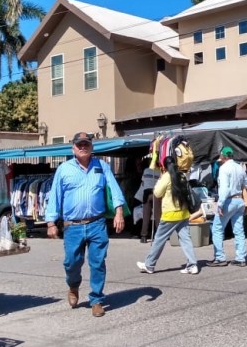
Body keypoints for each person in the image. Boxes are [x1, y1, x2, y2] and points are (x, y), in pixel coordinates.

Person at [44, 131, 126, 318]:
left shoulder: (101, 166)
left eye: (86, 144)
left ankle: (96, 300)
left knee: (97, 263)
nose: (83, 147)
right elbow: (55, 197)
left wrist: (119, 212)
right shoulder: (64, 169)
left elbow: (114, 189)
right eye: (79, 144)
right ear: (73, 147)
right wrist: (51, 223)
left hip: (97, 223)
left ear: (91, 147)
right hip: (72, 225)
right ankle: (73, 286)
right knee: (72, 263)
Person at [136, 155, 199, 275]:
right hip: (183, 213)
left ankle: (149, 265)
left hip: (170, 214)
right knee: (186, 239)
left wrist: (159, 180)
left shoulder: (166, 176)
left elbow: (157, 193)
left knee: (159, 240)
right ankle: (192, 265)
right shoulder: (181, 175)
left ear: (164, 166)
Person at [206, 146, 247, 267]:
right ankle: (241, 258)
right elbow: (245, 184)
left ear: (223, 156)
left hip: (228, 201)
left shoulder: (224, 168)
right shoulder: (240, 167)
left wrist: (219, 204)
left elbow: (224, 188)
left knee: (217, 229)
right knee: (239, 230)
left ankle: (220, 258)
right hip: (239, 199)